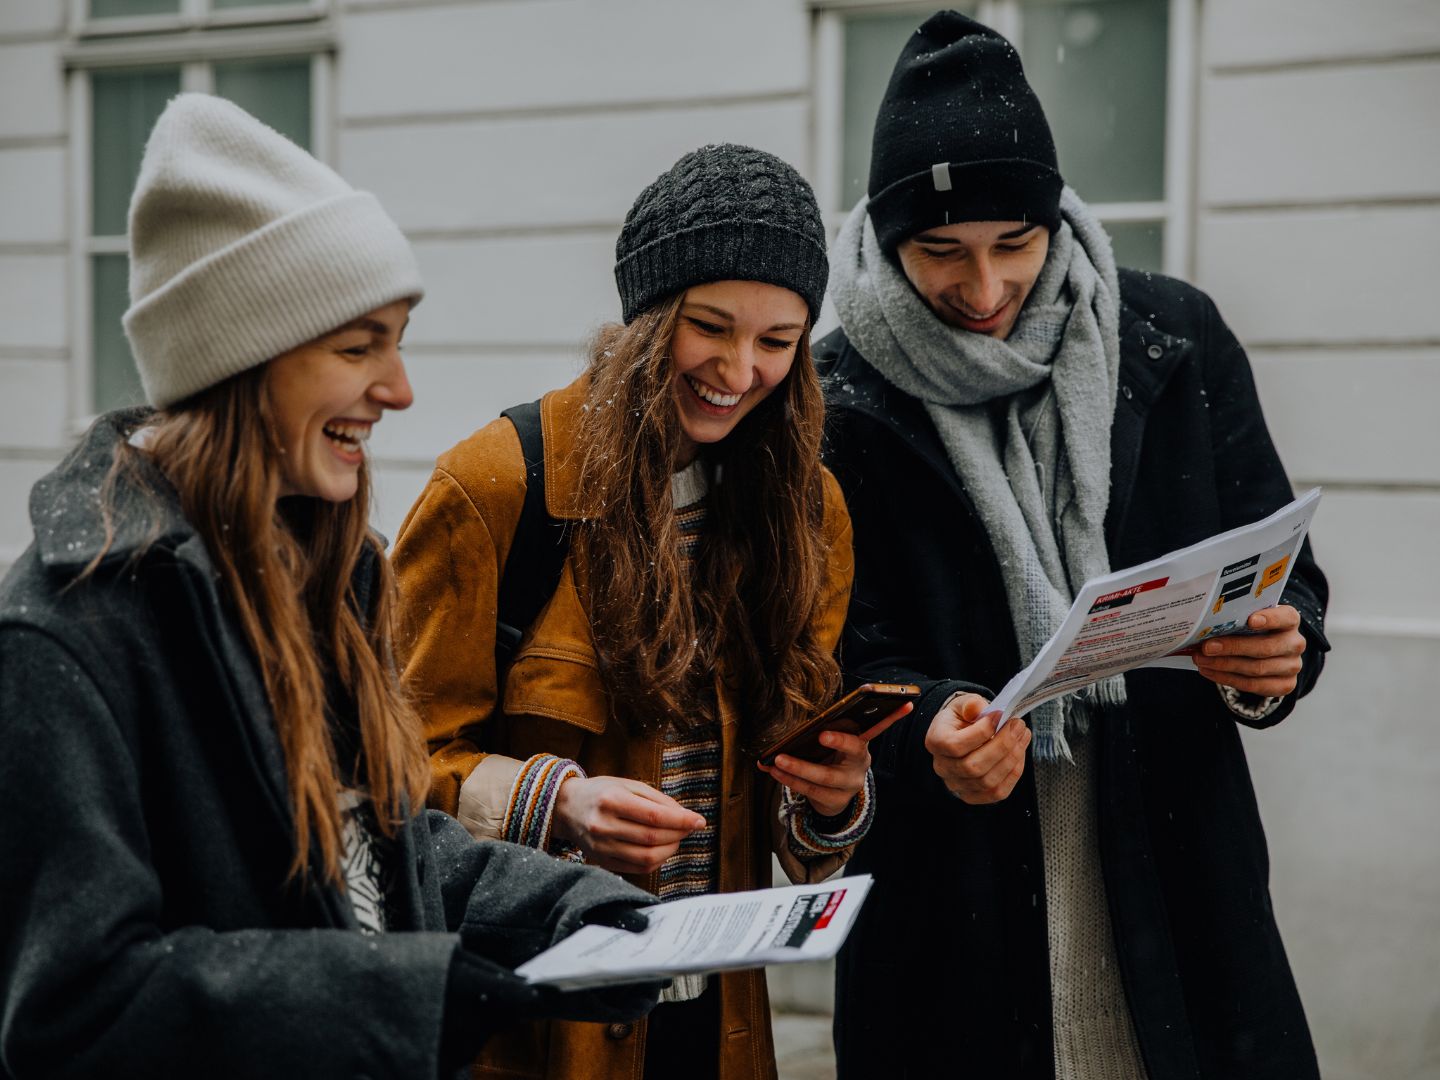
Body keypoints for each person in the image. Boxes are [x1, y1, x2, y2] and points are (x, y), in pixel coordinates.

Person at [0, 94, 661, 1080]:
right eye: (359, 348)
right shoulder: (66, 637)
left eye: (395, 341)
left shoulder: (323, 576)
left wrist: (563, 909)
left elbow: (367, 855)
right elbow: (77, 1007)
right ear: (240, 362)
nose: (398, 390)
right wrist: (404, 996)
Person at [817, 12, 1330, 1080]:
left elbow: (1287, 577)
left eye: (1017, 243)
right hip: (951, 897)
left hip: (1173, 857)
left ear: (1058, 217)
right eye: (940, 254)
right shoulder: (831, 400)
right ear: (882, 238)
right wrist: (930, 735)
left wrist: (1275, 659)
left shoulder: (1174, 339)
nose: (988, 289)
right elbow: (833, 654)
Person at [392, 144, 895, 1080]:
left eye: (779, 341)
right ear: (646, 315)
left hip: (720, 1020)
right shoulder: (497, 486)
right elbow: (386, 775)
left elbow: (790, 805)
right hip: (536, 1025)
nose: (740, 370)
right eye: (710, 326)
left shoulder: (808, 511)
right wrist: (558, 803)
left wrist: (829, 802)